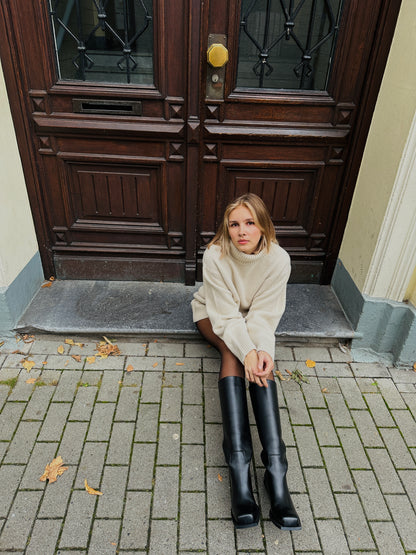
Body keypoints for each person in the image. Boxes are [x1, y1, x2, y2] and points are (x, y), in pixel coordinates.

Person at [191, 193, 301, 530]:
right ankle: (240, 474)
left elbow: (264, 317)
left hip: (253, 320)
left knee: (256, 359)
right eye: (235, 223)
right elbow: (225, 317)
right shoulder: (216, 255)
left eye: (250, 222)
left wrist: (262, 352)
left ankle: (276, 476)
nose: (242, 231)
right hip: (213, 316)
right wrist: (247, 353)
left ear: (264, 226)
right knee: (231, 352)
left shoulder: (278, 260)